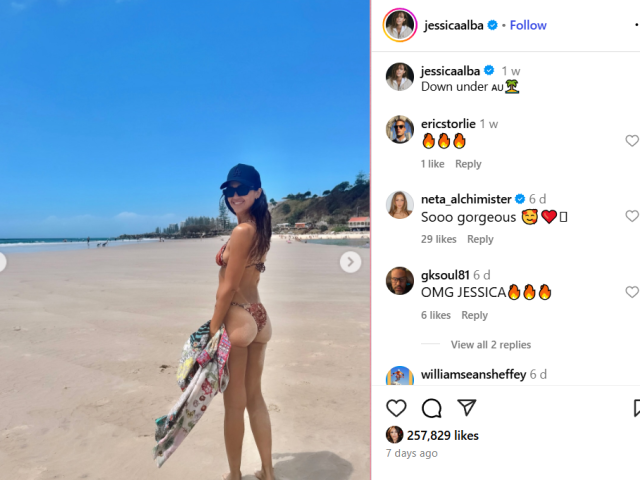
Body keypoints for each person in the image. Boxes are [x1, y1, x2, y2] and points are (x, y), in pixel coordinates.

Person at [212, 164, 275, 480]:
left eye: (242, 189)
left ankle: (235, 475)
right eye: (230, 190)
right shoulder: (261, 227)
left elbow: (228, 288)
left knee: (234, 405)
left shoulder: (241, 232)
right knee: (255, 398)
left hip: (238, 317)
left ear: (257, 191)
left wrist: (213, 330)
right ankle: (268, 471)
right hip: (259, 317)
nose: (234, 195)